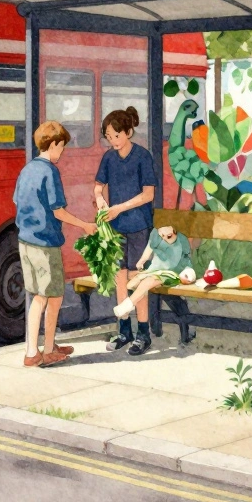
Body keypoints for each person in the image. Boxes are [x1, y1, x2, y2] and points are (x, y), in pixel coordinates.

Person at [14, 121, 97, 368]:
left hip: (26, 241)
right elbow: (58, 210)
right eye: (62, 147)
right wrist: (84, 225)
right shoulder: (49, 171)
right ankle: (45, 350)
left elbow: (17, 201)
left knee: (38, 297)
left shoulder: (27, 169)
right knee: (53, 296)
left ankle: (34, 348)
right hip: (45, 242)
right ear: (54, 145)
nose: (63, 152)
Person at [93, 107, 159, 353]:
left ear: (129, 132)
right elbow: (98, 186)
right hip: (116, 227)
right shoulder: (109, 158)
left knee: (136, 280)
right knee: (120, 279)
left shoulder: (142, 156)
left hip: (139, 226)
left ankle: (143, 333)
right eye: (109, 137)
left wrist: (119, 207)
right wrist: (100, 198)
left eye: (116, 136)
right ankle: (124, 331)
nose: (113, 141)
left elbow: (148, 194)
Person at [112, 225, 194, 356]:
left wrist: (154, 271)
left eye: (168, 236)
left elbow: (175, 262)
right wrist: (143, 259)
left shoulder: (181, 240)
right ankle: (130, 306)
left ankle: (128, 305)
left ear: (174, 230)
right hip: (156, 268)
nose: (164, 238)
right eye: (162, 235)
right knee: (132, 283)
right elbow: (150, 246)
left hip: (173, 271)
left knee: (148, 281)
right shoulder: (156, 233)